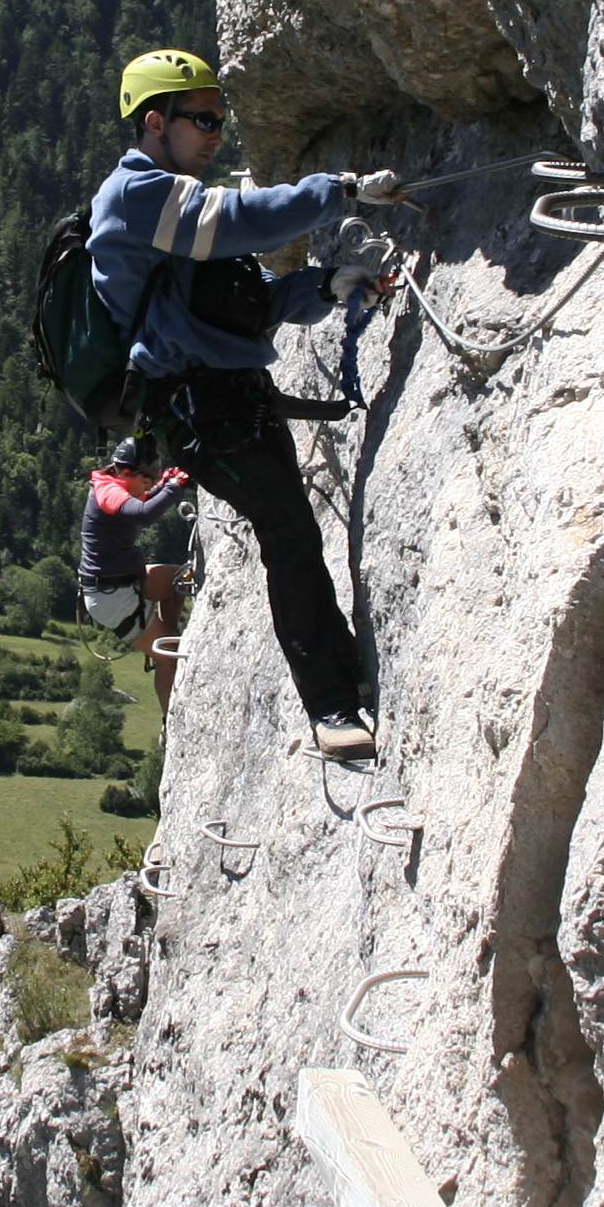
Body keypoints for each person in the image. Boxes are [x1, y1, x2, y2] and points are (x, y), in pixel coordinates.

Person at [89, 49, 404, 759]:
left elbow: (257, 297)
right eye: (202, 119)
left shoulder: (180, 212)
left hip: (237, 404)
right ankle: (331, 707)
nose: (215, 135)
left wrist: (330, 285)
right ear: (154, 121)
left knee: (294, 533)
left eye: (219, 121)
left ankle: (338, 684)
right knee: (290, 535)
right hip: (200, 412)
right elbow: (235, 221)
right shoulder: (138, 196)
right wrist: (341, 190)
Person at [78, 437, 194, 707]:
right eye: (146, 480)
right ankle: (169, 723)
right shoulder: (108, 491)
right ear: (128, 472)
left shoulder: (121, 484)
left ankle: (166, 631)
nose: (149, 486)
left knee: (180, 578)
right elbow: (144, 513)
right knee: (170, 656)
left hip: (124, 581)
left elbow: (145, 499)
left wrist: (166, 484)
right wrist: (173, 487)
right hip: (112, 598)